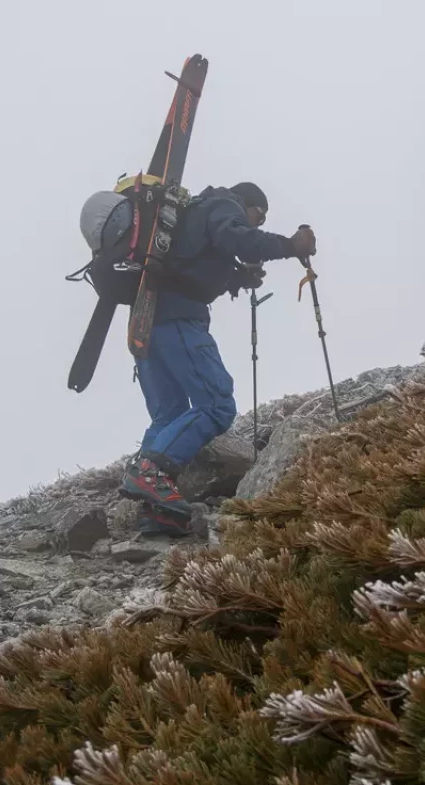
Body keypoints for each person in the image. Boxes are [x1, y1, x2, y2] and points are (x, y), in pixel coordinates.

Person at [119, 181, 316, 534]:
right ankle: (151, 474)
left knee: (170, 414)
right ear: (248, 203)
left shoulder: (193, 215)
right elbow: (238, 237)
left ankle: (156, 509)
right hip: (179, 318)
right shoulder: (224, 204)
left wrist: (236, 277)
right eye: (259, 215)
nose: (257, 222)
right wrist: (290, 246)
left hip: (147, 321)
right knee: (217, 404)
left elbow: (191, 265)